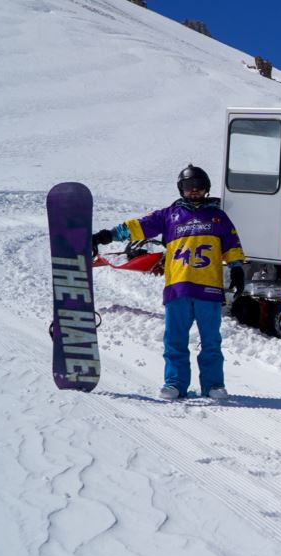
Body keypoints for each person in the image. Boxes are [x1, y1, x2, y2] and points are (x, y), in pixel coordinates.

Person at [91, 165, 245, 400]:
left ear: (206, 189)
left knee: (211, 341)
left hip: (209, 288)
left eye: (199, 187)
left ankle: (214, 385)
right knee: (175, 340)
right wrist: (107, 235)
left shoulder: (218, 217)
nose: (194, 191)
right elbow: (136, 227)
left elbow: (232, 246)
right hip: (178, 288)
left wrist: (237, 269)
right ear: (180, 189)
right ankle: (174, 384)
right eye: (188, 187)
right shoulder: (169, 216)